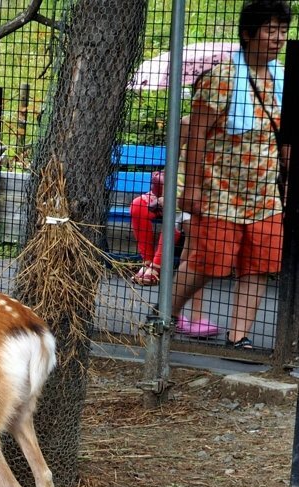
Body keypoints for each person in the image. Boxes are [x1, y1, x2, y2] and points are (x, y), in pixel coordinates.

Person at [169, 0, 290, 350]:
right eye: (270, 30)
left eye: (282, 31)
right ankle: (165, 316)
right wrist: (191, 186)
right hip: (220, 190)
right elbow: (195, 134)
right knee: (209, 261)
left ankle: (239, 336)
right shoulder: (221, 78)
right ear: (248, 34)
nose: (277, 38)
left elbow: (285, 138)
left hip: (267, 193)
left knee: (260, 264)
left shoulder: (282, 80)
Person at [130, 169, 219, 338]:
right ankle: (176, 314)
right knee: (196, 253)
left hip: (198, 199)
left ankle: (183, 314)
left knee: (196, 251)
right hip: (183, 196)